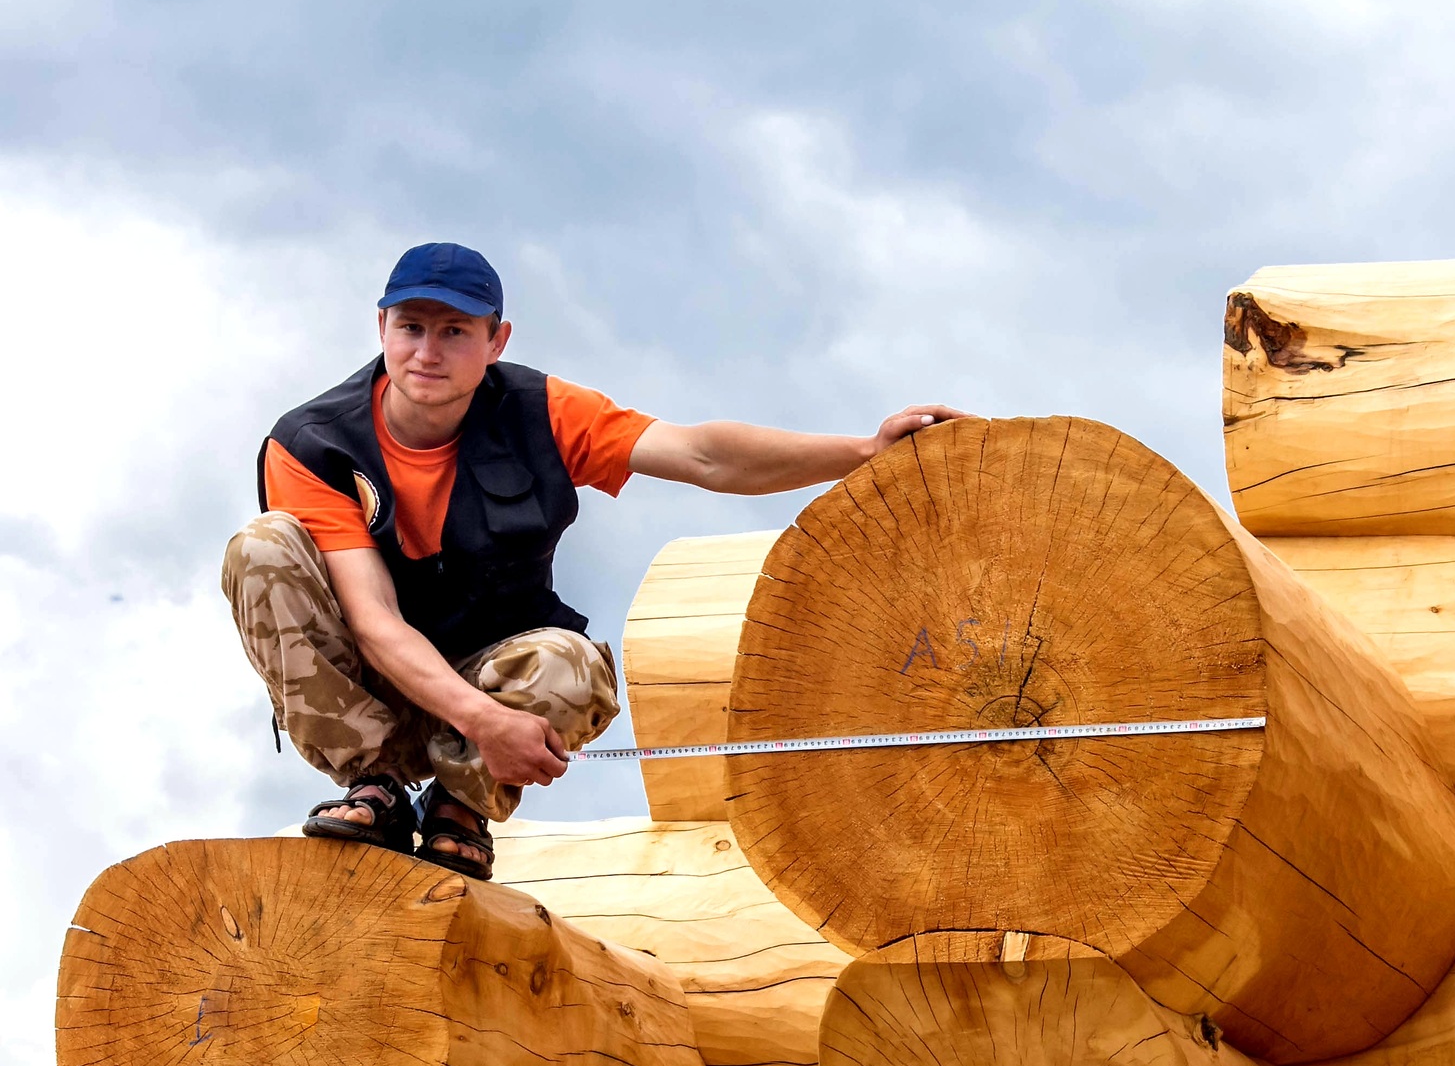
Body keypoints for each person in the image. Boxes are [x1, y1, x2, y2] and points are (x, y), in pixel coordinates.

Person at [223, 242, 966, 880]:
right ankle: (375, 787)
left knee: (572, 665)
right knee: (261, 547)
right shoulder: (314, 444)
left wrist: (862, 453)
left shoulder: (541, 409)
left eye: (455, 331)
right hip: (375, 689)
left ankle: (461, 808)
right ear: (381, 326)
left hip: (493, 673)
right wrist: (485, 721)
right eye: (411, 327)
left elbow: (701, 454)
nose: (428, 351)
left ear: (497, 339)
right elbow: (375, 622)